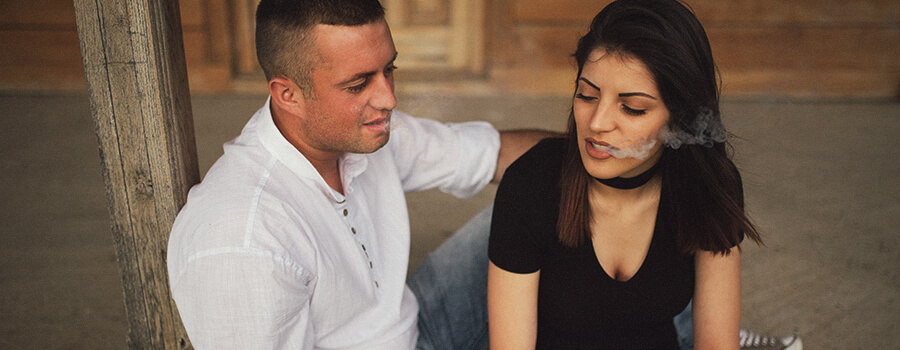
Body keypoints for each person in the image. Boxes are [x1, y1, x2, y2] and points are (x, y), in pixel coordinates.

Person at [166, 0, 552, 349]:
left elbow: (489, 153)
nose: (388, 98)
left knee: (551, 187)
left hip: (417, 329)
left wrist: (600, 149)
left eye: (389, 70)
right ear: (288, 95)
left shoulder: (365, 133)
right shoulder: (243, 240)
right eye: (358, 84)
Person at [487, 0, 802, 349]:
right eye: (587, 95)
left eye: (632, 108)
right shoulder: (531, 184)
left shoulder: (708, 188)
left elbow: (716, 343)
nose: (597, 123)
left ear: (679, 119)